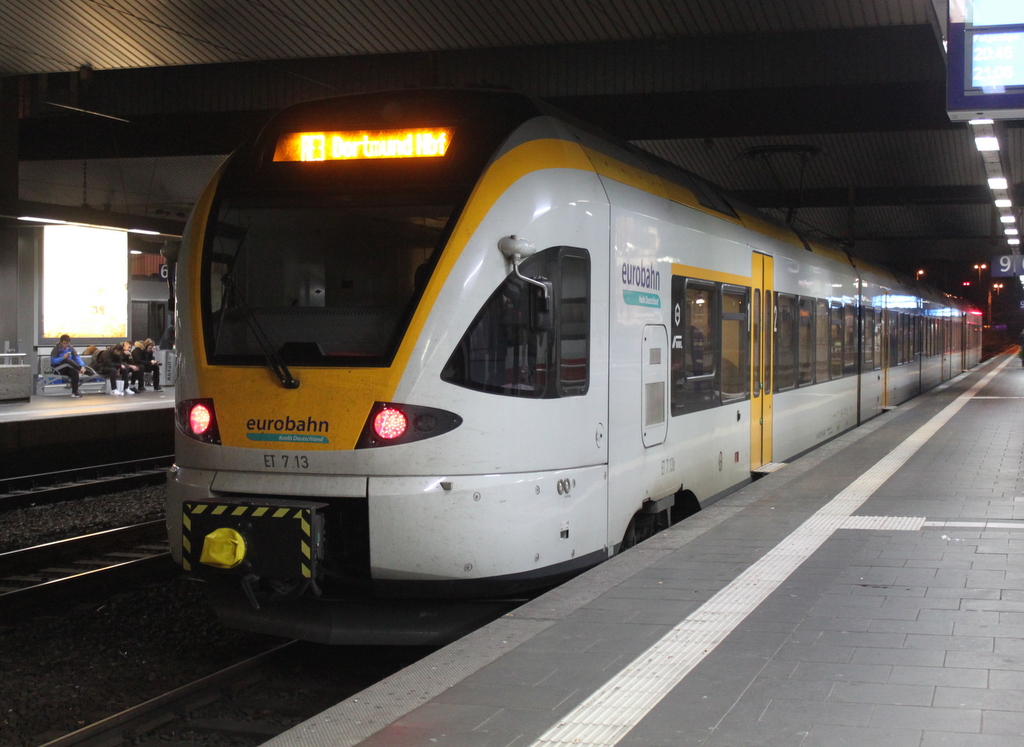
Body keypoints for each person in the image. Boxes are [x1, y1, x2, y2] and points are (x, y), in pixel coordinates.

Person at [49, 334, 86, 398]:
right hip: (58, 368)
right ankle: (83, 369)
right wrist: (63, 358)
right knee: (66, 360)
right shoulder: (56, 349)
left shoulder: (70, 348)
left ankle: (75, 392)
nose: (66, 344)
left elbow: (77, 357)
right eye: (65, 342)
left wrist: (82, 365)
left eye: (68, 342)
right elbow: (53, 361)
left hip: (68, 368)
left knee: (74, 372)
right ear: (61, 342)